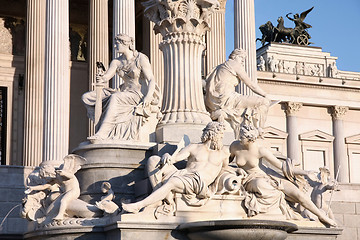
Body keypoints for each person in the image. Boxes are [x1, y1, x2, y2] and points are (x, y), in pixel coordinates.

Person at [229, 124, 337, 227]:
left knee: (300, 195)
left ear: (250, 140)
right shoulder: (234, 146)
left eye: (242, 137)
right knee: (260, 185)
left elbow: (283, 167)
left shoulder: (260, 150)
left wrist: (305, 173)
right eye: (240, 136)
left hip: (269, 175)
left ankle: (321, 215)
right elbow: (226, 163)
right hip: (251, 178)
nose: (240, 139)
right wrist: (237, 170)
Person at [122, 122, 230, 213]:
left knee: (172, 182)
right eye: (220, 135)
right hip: (184, 174)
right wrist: (166, 156)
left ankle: (139, 205)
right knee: (153, 160)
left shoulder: (223, 154)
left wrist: (237, 174)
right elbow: (174, 159)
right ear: (212, 134)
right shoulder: (194, 147)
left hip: (197, 182)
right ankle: (159, 195)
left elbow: (225, 171)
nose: (222, 138)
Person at [82, 33, 159, 141]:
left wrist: (149, 96)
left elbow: (151, 79)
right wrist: (101, 77)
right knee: (87, 97)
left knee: (115, 98)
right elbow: (106, 77)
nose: (114, 46)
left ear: (125, 44)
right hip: (122, 91)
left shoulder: (140, 58)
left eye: (117, 44)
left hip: (136, 94)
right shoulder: (116, 62)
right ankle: (99, 121)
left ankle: (103, 133)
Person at [205, 48, 271, 138]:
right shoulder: (235, 64)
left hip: (215, 102)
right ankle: (259, 130)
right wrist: (265, 95)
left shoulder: (219, 67)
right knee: (264, 102)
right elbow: (251, 85)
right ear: (235, 56)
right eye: (241, 58)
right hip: (229, 99)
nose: (243, 62)